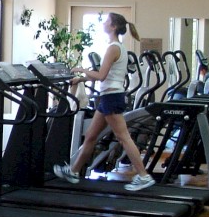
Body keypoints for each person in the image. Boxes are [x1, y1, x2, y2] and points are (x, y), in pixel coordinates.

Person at [53, 12, 155, 192]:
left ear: (114, 26)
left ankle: (144, 176)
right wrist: (81, 79)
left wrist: (81, 70)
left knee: (124, 137)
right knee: (91, 136)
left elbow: (101, 75)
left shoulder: (113, 48)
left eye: (107, 21)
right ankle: (74, 171)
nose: (104, 24)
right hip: (107, 96)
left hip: (111, 97)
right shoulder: (118, 47)